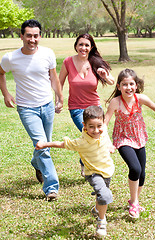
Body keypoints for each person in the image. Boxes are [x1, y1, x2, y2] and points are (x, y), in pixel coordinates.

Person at [0, 19, 63, 201]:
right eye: (28, 35)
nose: (32, 39)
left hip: (47, 105)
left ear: (40, 36)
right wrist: (6, 94)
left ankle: (36, 163)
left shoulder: (48, 54)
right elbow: (1, 73)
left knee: (45, 143)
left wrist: (59, 97)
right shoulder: (10, 58)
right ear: (21, 36)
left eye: (36, 36)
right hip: (27, 108)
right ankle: (51, 188)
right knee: (43, 146)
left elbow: (53, 77)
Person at [36, 106, 115, 236]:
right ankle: (101, 221)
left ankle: (97, 209)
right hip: (93, 173)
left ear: (103, 122)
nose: (96, 130)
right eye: (91, 127)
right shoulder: (81, 142)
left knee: (101, 196)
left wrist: (110, 145)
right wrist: (45, 144)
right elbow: (62, 144)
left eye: (99, 126)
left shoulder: (103, 130)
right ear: (84, 126)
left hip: (107, 170)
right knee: (105, 195)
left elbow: (105, 137)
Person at [105, 68, 155, 218]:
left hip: (139, 137)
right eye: (124, 84)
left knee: (142, 173)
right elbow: (105, 123)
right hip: (123, 139)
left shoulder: (140, 98)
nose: (128, 87)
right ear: (118, 86)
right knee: (135, 168)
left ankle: (134, 200)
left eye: (131, 84)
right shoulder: (115, 102)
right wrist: (108, 143)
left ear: (136, 85)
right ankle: (134, 204)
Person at [58, 33, 114, 176]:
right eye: (80, 44)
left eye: (87, 45)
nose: (83, 48)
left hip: (95, 107)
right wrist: (59, 100)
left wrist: (104, 75)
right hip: (76, 108)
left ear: (91, 47)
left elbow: (112, 81)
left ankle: (90, 166)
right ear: (76, 46)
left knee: (94, 136)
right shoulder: (68, 62)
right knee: (90, 135)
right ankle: (90, 167)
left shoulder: (95, 62)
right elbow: (59, 83)